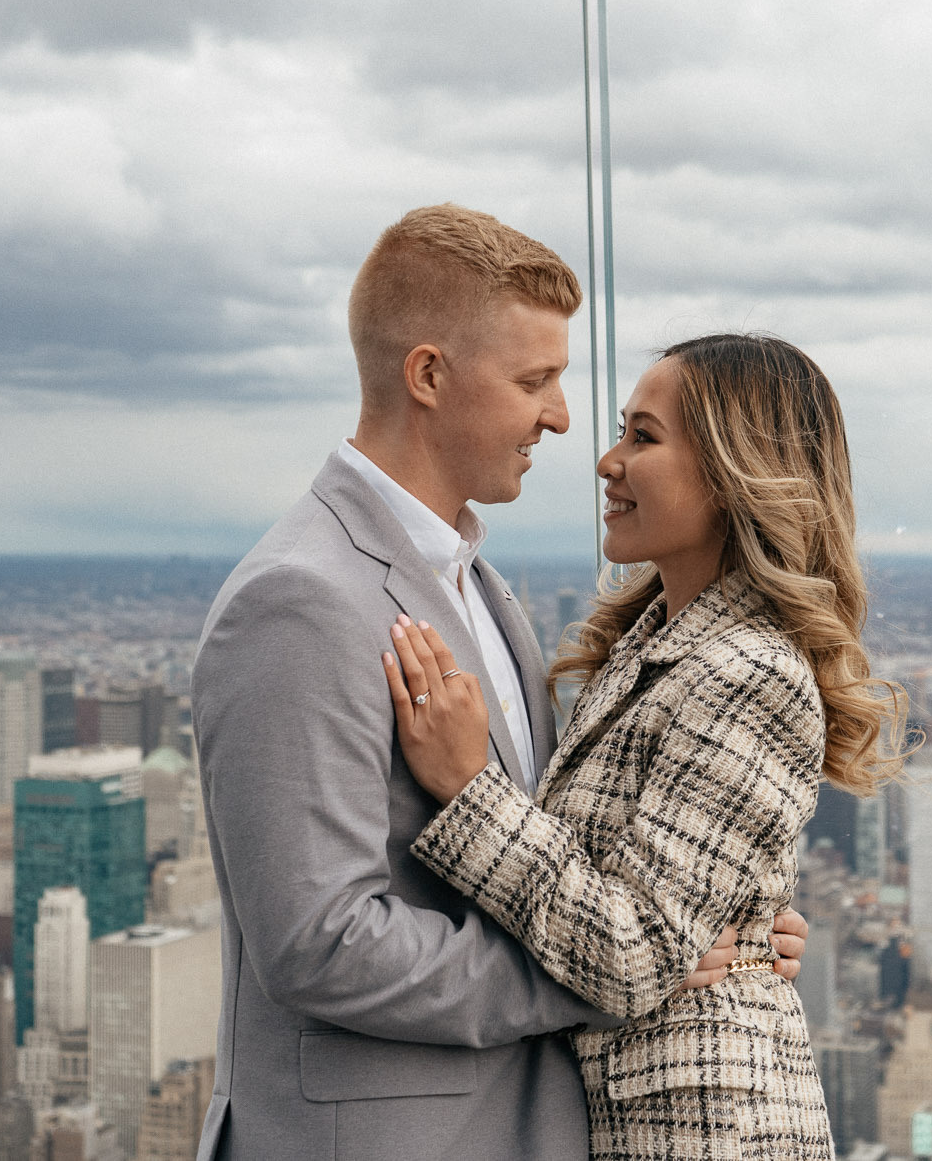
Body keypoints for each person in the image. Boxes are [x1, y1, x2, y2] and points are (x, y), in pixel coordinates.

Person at [190, 206, 809, 1160]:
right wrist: (621, 970)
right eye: (536, 380)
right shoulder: (299, 600)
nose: (561, 418)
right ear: (429, 374)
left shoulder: (480, 586)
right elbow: (318, 941)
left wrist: (720, 920)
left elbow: (567, 854)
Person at [387, 332, 905, 1160]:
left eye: (644, 437)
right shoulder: (654, 645)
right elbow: (643, 911)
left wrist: (467, 785)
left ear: (735, 473)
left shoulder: (749, 670)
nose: (606, 460)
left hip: (706, 1134)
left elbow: (631, 955)